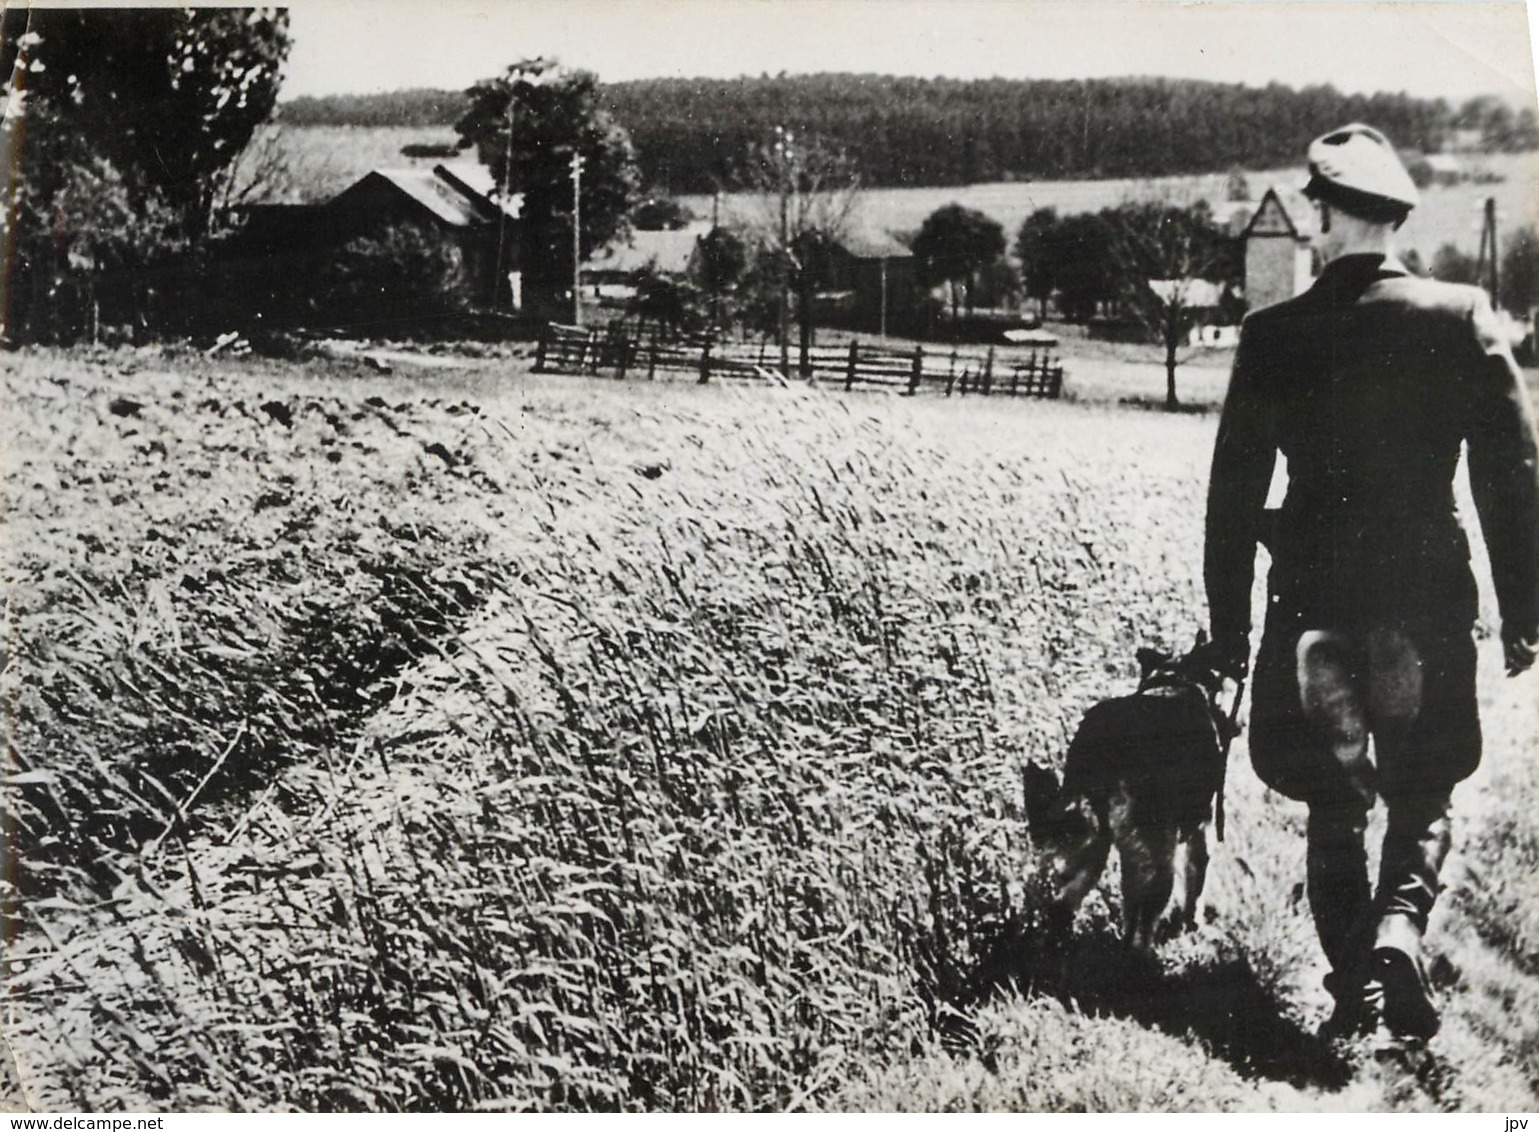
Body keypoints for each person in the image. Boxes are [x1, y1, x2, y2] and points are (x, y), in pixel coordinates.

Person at [1202, 123, 1539, 1049]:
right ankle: (1397, 929)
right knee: (1424, 787)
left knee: (1333, 798)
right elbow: (1510, 470)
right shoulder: (1461, 313)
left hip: (1310, 599)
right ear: (1394, 214)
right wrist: (1524, 611)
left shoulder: (1273, 333)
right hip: (1423, 597)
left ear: (1318, 211)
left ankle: (1351, 993)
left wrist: (1226, 625)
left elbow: (1234, 489)